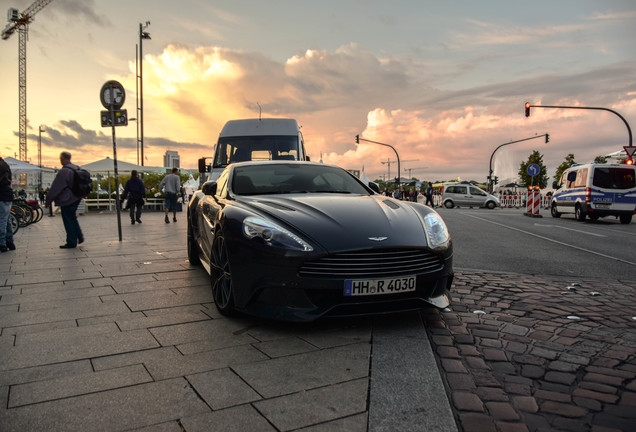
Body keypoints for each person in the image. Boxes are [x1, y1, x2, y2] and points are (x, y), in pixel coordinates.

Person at [45, 151, 84, 248]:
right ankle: (79, 235)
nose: (60, 160)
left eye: (60, 158)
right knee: (72, 217)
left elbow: (56, 188)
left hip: (67, 199)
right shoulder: (77, 168)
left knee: (68, 219)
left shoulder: (64, 171)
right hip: (77, 197)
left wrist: (48, 200)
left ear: (63, 158)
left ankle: (71, 241)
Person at [0, 156, 16, 252]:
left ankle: (1, 243)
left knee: (2, 219)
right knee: (7, 219)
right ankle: (10, 242)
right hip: (7, 194)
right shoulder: (5, 164)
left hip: (2, 195)